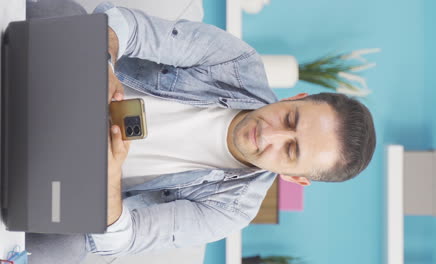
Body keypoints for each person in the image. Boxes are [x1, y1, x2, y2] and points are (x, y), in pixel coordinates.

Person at [25, 1, 376, 263]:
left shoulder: (232, 211)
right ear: (297, 97)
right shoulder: (235, 63)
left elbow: (120, 239)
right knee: (65, 13)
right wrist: (101, 62)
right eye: (289, 119)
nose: (268, 136)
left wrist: (109, 175)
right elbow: (126, 25)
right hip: (68, 76)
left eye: (290, 151)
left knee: (67, 247)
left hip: (66, 179)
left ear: (295, 179)